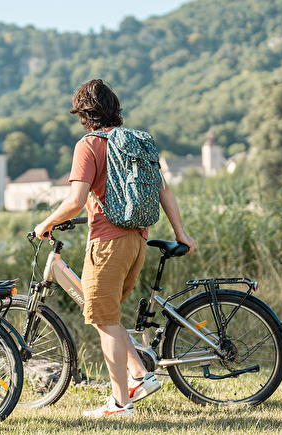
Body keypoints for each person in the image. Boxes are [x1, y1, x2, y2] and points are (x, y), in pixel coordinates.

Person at [34, 79, 196, 418]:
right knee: (107, 317)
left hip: (107, 243)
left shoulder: (89, 145)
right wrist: (182, 233)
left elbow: (76, 201)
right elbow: (165, 192)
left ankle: (120, 403)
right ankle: (140, 374)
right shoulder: (136, 142)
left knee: (104, 319)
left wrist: (45, 223)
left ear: (83, 113)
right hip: (138, 241)